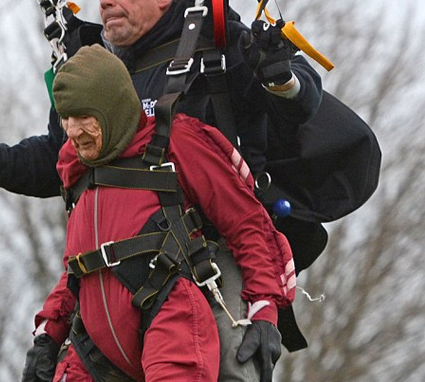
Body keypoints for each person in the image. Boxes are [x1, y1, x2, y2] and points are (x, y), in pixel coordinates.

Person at [0, 0, 322, 381]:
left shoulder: (217, 45)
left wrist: (281, 75)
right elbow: (58, 162)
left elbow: (299, 105)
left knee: (228, 366)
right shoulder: (97, 73)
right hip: (115, 265)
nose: (105, 1)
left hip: (210, 253)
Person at [23, 44, 293, 382]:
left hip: (171, 322)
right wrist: (48, 334)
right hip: (94, 349)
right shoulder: (79, 173)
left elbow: (247, 222)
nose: (74, 131)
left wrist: (264, 308)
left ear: (111, 107)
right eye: (67, 118)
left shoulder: (176, 142)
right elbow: (79, 268)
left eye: (84, 117)